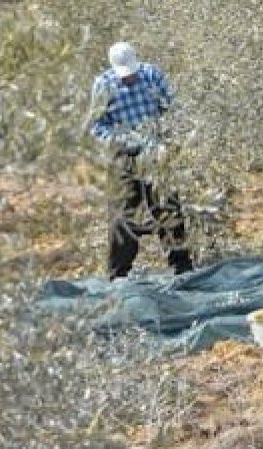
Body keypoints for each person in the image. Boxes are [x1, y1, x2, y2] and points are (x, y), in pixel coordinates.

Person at [89, 41, 194, 279]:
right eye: (125, 75)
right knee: (123, 215)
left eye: (132, 73)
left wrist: (166, 139)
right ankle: (118, 274)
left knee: (168, 208)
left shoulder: (152, 75)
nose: (130, 79)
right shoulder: (103, 85)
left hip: (155, 152)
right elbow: (97, 126)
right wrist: (121, 140)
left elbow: (172, 109)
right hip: (124, 155)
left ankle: (182, 267)